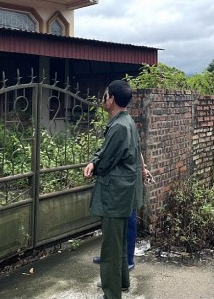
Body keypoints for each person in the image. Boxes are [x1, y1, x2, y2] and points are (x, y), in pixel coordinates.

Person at [84, 80, 144, 299]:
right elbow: (108, 153)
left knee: (110, 246)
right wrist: (95, 160)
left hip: (115, 193)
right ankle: (122, 282)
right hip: (125, 191)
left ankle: (111, 293)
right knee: (119, 241)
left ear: (112, 99)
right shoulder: (126, 121)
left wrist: (95, 166)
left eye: (106, 94)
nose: (103, 98)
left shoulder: (119, 126)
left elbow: (107, 159)